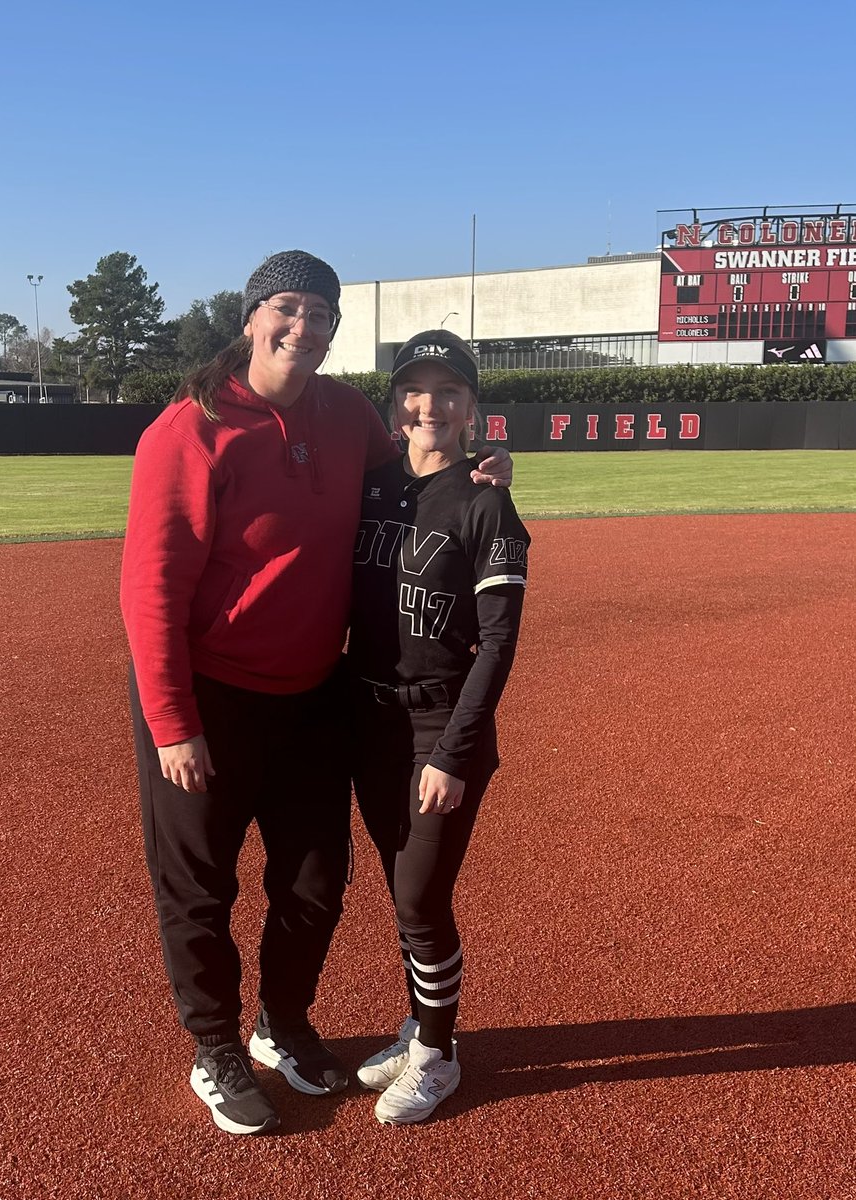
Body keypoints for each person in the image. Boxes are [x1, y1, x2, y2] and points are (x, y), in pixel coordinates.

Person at [120, 252, 512, 1137]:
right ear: (253, 317)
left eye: (322, 315)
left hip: (309, 698)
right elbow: (149, 591)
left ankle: (281, 1023)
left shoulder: (342, 416)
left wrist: (486, 463)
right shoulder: (188, 430)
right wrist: (173, 724)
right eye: (288, 309)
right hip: (206, 699)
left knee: (314, 883)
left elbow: (417, 467)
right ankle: (215, 1045)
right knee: (199, 890)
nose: (305, 327)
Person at [347, 329, 530, 1124]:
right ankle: (419, 1025)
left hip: (439, 728)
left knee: (421, 895)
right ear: (397, 402)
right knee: (400, 892)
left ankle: (438, 1054)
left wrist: (454, 753)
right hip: (368, 722)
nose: (431, 404)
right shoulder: (369, 485)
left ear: (471, 406)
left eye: (448, 390)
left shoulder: (487, 500)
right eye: (416, 389)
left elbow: (499, 642)